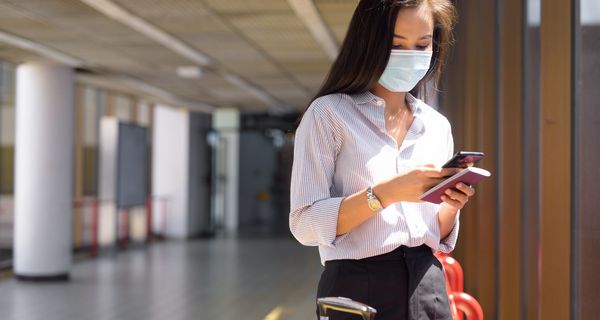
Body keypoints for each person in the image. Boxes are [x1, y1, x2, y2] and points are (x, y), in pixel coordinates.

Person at [289, 1, 475, 319]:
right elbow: (304, 225)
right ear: (370, 42)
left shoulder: (435, 125)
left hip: (427, 284)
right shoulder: (329, 114)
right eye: (396, 44)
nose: (412, 55)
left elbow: (432, 231)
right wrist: (386, 194)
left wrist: (451, 205)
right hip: (357, 286)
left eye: (422, 44)